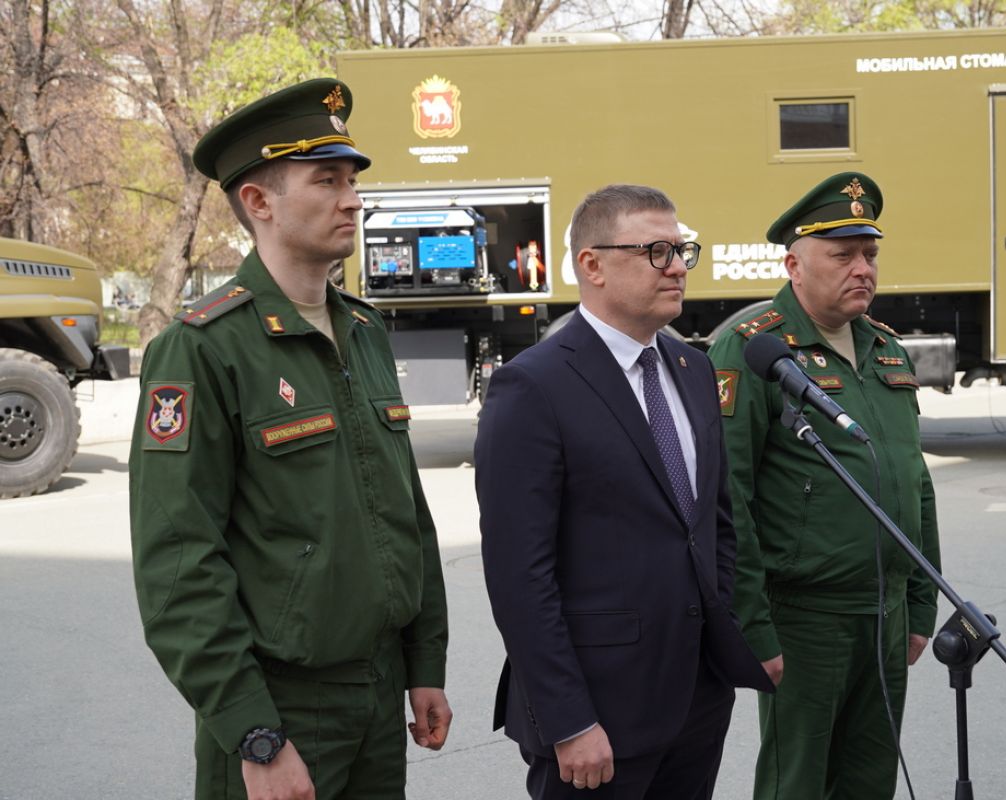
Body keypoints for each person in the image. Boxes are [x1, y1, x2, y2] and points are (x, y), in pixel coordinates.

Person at [128, 78, 451, 800]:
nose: (353, 199)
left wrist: (423, 661)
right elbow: (178, 566)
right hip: (281, 707)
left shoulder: (363, 332)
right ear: (259, 201)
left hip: (379, 691)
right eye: (327, 180)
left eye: (353, 180)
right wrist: (254, 732)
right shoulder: (202, 348)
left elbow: (406, 515)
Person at [475, 184, 773, 799]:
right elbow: (519, 577)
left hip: (696, 699)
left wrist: (728, 640)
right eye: (656, 251)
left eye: (683, 250)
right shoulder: (532, 387)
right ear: (592, 265)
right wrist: (569, 720)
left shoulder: (692, 371)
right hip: (597, 714)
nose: (677, 267)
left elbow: (713, 525)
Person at [707, 172, 942, 800]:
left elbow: (914, 483)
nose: (862, 268)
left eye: (869, 254)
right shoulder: (752, 348)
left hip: (886, 612)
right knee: (798, 784)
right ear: (794, 264)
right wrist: (751, 626)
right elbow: (729, 499)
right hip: (804, 618)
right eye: (842, 255)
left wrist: (921, 602)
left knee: (870, 781)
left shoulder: (887, 349)